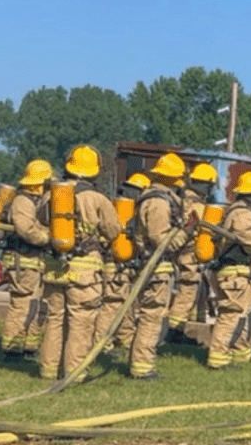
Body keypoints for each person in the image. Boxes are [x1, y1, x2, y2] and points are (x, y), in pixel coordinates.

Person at [37, 146, 122, 381]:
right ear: (94, 171)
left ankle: (48, 369)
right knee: (81, 322)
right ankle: (75, 372)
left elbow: (41, 221)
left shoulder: (50, 195)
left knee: (54, 319)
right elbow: (113, 230)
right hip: (85, 270)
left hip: (55, 267)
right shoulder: (97, 198)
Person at [129, 152, 189, 381]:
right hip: (155, 268)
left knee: (151, 316)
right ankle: (143, 367)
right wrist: (186, 233)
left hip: (155, 268)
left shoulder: (155, 198)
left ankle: (139, 361)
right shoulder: (158, 202)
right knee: (151, 317)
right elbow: (161, 239)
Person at [207, 170, 251, 370]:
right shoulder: (243, 214)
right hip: (233, 273)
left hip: (238, 273)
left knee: (240, 313)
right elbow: (247, 240)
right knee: (230, 315)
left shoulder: (239, 210)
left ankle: (240, 353)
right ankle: (218, 358)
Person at [0, 159, 53, 361]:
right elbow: (26, 230)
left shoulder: (34, 200)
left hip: (33, 261)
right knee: (22, 304)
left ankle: (29, 346)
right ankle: (12, 349)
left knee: (36, 303)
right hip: (22, 261)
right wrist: (49, 238)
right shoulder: (23, 201)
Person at [98, 171, 150, 358]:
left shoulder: (114, 206)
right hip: (117, 265)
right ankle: (102, 345)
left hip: (117, 263)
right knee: (112, 305)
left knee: (125, 303)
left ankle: (126, 339)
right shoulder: (130, 210)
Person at [165, 162, 218, 343]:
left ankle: (180, 327)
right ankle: (174, 331)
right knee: (187, 290)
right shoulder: (195, 204)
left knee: (189, 290)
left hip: (181, 252)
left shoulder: (183, 199)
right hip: (189, 254)